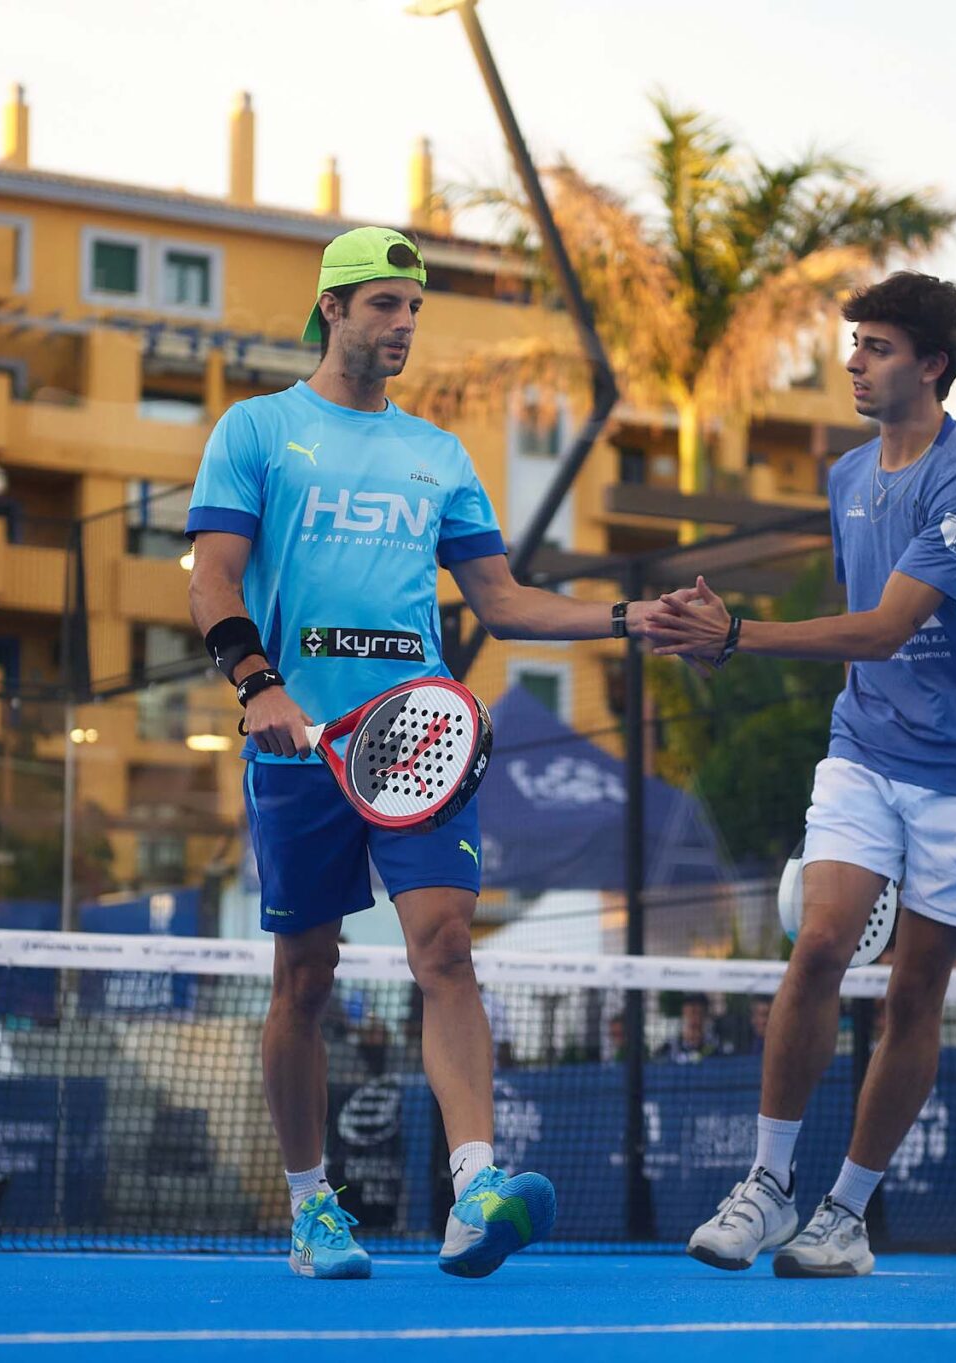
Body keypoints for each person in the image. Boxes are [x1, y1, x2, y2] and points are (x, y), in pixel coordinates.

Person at [186, 226, 669, 1280]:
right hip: (299, 750)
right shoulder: (257, 430)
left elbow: (503, 600)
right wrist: (258, 685)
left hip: (417, 735)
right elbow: (212, 578)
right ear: (332, 308)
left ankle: (474, 1188)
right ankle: (311, 1207)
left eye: (413, 309)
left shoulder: (438, 456)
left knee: (446, 949)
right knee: (305, 979)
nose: (404, 325)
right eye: (384, 305)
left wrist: (628, 616)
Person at [640, 272, 956, 1278]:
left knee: (914, 990)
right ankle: (767, 1186)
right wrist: (722, 640)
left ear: (932, 365)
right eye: (855, 343)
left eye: (878, 347)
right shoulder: (847, 475)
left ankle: (846, 1213)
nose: (854, 362)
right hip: (865, 746)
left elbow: (886, 626)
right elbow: (864, 639)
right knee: (818, 945)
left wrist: (736, 635)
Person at [657, 993, 718, 1062]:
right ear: (684, 1012)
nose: (695, 1018)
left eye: (699, 1013)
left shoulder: (715, 1048)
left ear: (705, 1015)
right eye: (692, 1012)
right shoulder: (669, 1047)